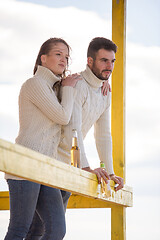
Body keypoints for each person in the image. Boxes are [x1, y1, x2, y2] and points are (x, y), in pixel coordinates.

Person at [4, 37, 82, 240]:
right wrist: (68, 88)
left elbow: (73, 116)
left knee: (55, 230)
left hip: (47, 168)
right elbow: (63, 116)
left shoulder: (57, 89)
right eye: (58, 54)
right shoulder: (34, 84)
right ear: (43, 58)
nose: (64, 59)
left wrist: (103, 83)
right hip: (25, 166)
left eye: (66, 56)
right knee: (20, 228)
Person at [58, 37, 124, 190]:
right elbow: (72, 129)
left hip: (70, 164)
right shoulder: (77, 85)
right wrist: (86, 168)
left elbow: (103, 135)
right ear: (90, 61)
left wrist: (110, 172)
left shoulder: (105, 92)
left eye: (112, 61)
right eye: (104, 61)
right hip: (52, 160)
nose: (109, 67)